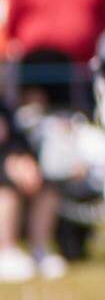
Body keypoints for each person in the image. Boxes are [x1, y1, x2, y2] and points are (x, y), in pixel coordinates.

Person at [0, 101, 52, 283]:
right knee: (6, 187)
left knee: (47, 186)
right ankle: (6, 251)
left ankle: (39, 250)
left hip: (11, 165)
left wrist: (24, 160)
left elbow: (18, 141)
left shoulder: (5, 107)